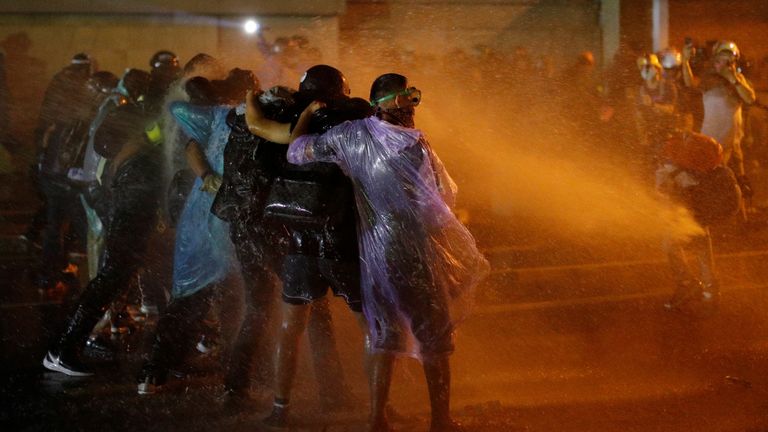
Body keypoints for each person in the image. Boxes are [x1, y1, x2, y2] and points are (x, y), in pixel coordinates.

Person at [249, 72, 489, 432]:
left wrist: (303, 117)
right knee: (433, 331)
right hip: (408, 248)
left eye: (414, 97)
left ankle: (374, 419)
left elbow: (296, 151)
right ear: (385, 103)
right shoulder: (415, 142)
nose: (411, 105)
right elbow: (440, 200)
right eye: (406, 97)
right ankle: (440, 420)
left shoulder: (351, 135)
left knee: (382, 331)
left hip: (367, 248)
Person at [244, 65, 373, 428]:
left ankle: (279, 408)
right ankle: (378, 409)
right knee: (370, 326)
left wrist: (255, 97)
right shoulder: (357, 121)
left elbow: (258, 139)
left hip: (299, 240)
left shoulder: (288, 120)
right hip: (342, 238)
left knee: (290, 326)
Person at [136, 71, 254, 395]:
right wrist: (206, 174)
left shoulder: (220, 117)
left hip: (209, 218)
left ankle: (160, 369)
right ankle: (229, 376)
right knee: (224, 297)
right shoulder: (229, 117)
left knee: (200, 298)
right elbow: (181, 118)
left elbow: (188, 136)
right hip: (216, 220)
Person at [42, 103, 164, 376]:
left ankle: (66, 347)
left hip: (124, 228)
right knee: (106, 284)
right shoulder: (136, 158)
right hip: (127, 230)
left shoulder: (121, 155)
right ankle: (63, 350)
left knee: (108, 284)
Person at [656, 131, 740, 309]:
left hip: (698, 210)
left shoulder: (684, 171)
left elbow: (681, 195)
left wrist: (673, 199)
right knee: (688, 245)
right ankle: (704, 288)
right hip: (699, 209)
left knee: (687, 244)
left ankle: (697, 287)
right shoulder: (704, 165)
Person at [34, 53, 95, 292]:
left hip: (51, 171)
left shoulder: (57, 85)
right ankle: (94, 280)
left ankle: (48, 275)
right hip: (70, 176)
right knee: (83, 226)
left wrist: (41, 159)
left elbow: (43, 127)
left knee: (55, 224)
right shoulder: (84, 95)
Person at [682, 40, 755, 193]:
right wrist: (685, 61)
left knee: (736, 187)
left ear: (734, 62)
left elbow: (750, 98)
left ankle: (739, 215)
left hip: (731, 145)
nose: (721, 63)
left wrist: (733, 78)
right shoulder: (710, 80)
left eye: (727, 60)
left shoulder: (739, 81)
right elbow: (690, 83)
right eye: (719, 59)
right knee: (707, 185)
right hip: (710, 144)